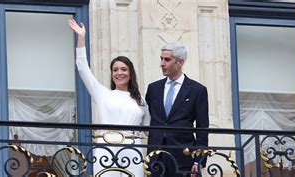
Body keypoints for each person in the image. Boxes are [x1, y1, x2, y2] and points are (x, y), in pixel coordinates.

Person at [68, 19, 150, 177]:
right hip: (106, 151)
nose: (119, 73)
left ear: (130, 72)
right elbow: (82, 67)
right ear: (112, 74)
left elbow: (149, 128)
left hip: (133, 154)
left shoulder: (141, 100)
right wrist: (81, 38)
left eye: (124, 69)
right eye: (115, 70)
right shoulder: (103, 94)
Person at [145, 42, 209, 177]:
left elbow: (202, 128)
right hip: (156, 159)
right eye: (161, 59)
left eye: (167, 59)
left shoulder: (197, 90)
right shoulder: (153, 89)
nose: (162, 63)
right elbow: (149, 118)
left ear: (180, 62)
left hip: (184, 158)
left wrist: (199, 161)